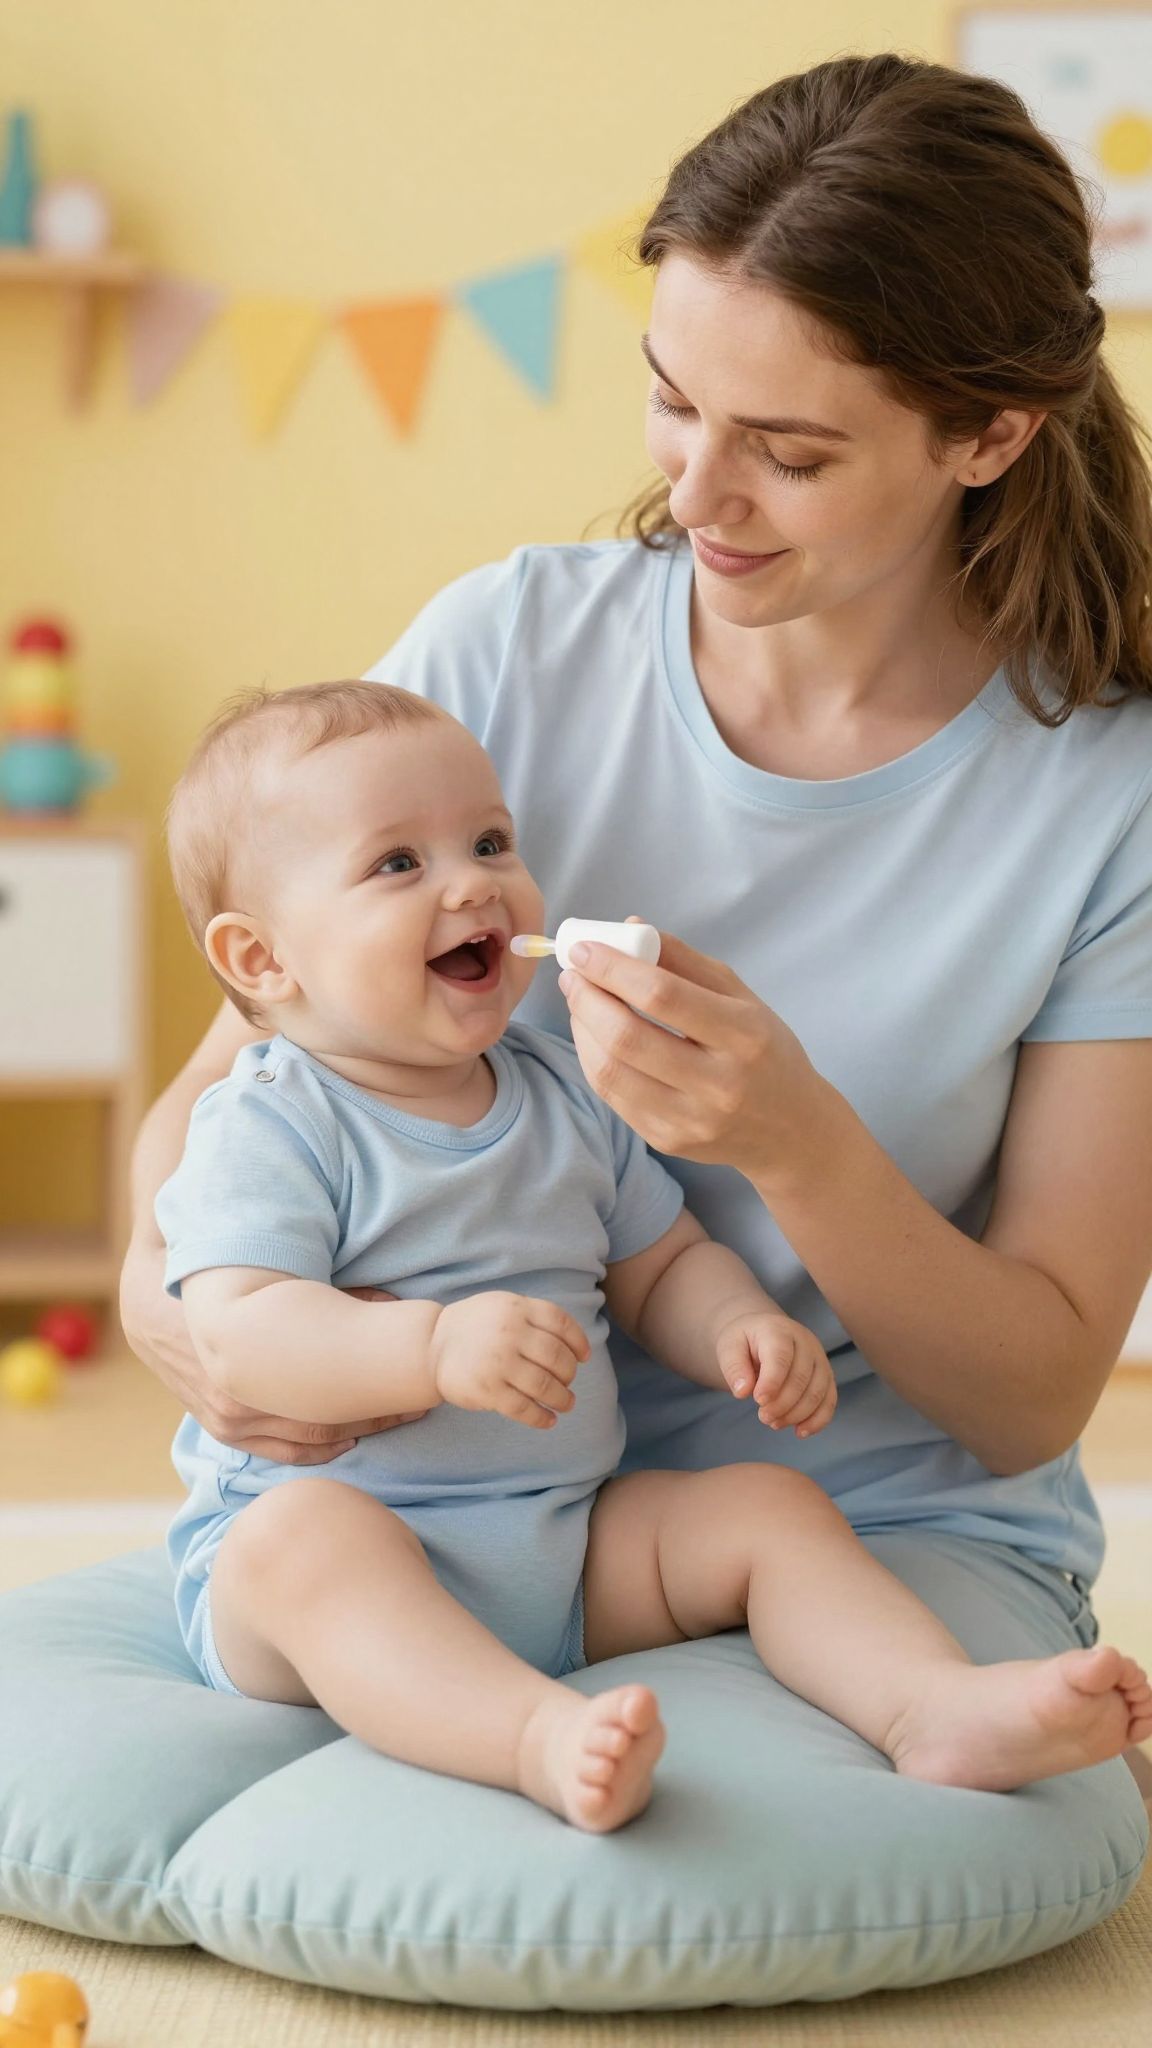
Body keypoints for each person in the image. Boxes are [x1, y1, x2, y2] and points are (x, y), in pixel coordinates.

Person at [122, 51, 1152, 1864]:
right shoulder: (506, 648)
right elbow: (227, 1117)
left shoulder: (1106, 791)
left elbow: (1028, 1392)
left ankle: (920, 1702)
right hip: (435, 1484)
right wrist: (205, 1338)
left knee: (776, 1856)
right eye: (675, 405)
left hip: (863, 1511)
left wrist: (794, 1142)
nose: (695, 492)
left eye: (792, 449)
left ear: (987, 434)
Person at [155, 681, 1150, 1831]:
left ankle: (930, 1703)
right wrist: (429, 1344)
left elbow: (663, 1258)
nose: (474, 881)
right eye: (398, 865)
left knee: (765, 1510)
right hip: (333, 1561)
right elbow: (241, 1328)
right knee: (305, 1542)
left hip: (562, 1546)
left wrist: (740, 1326)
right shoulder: (271, 1119)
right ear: (263, 959)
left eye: (489, 842)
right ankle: (536, 1737)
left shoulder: (563, 1090)